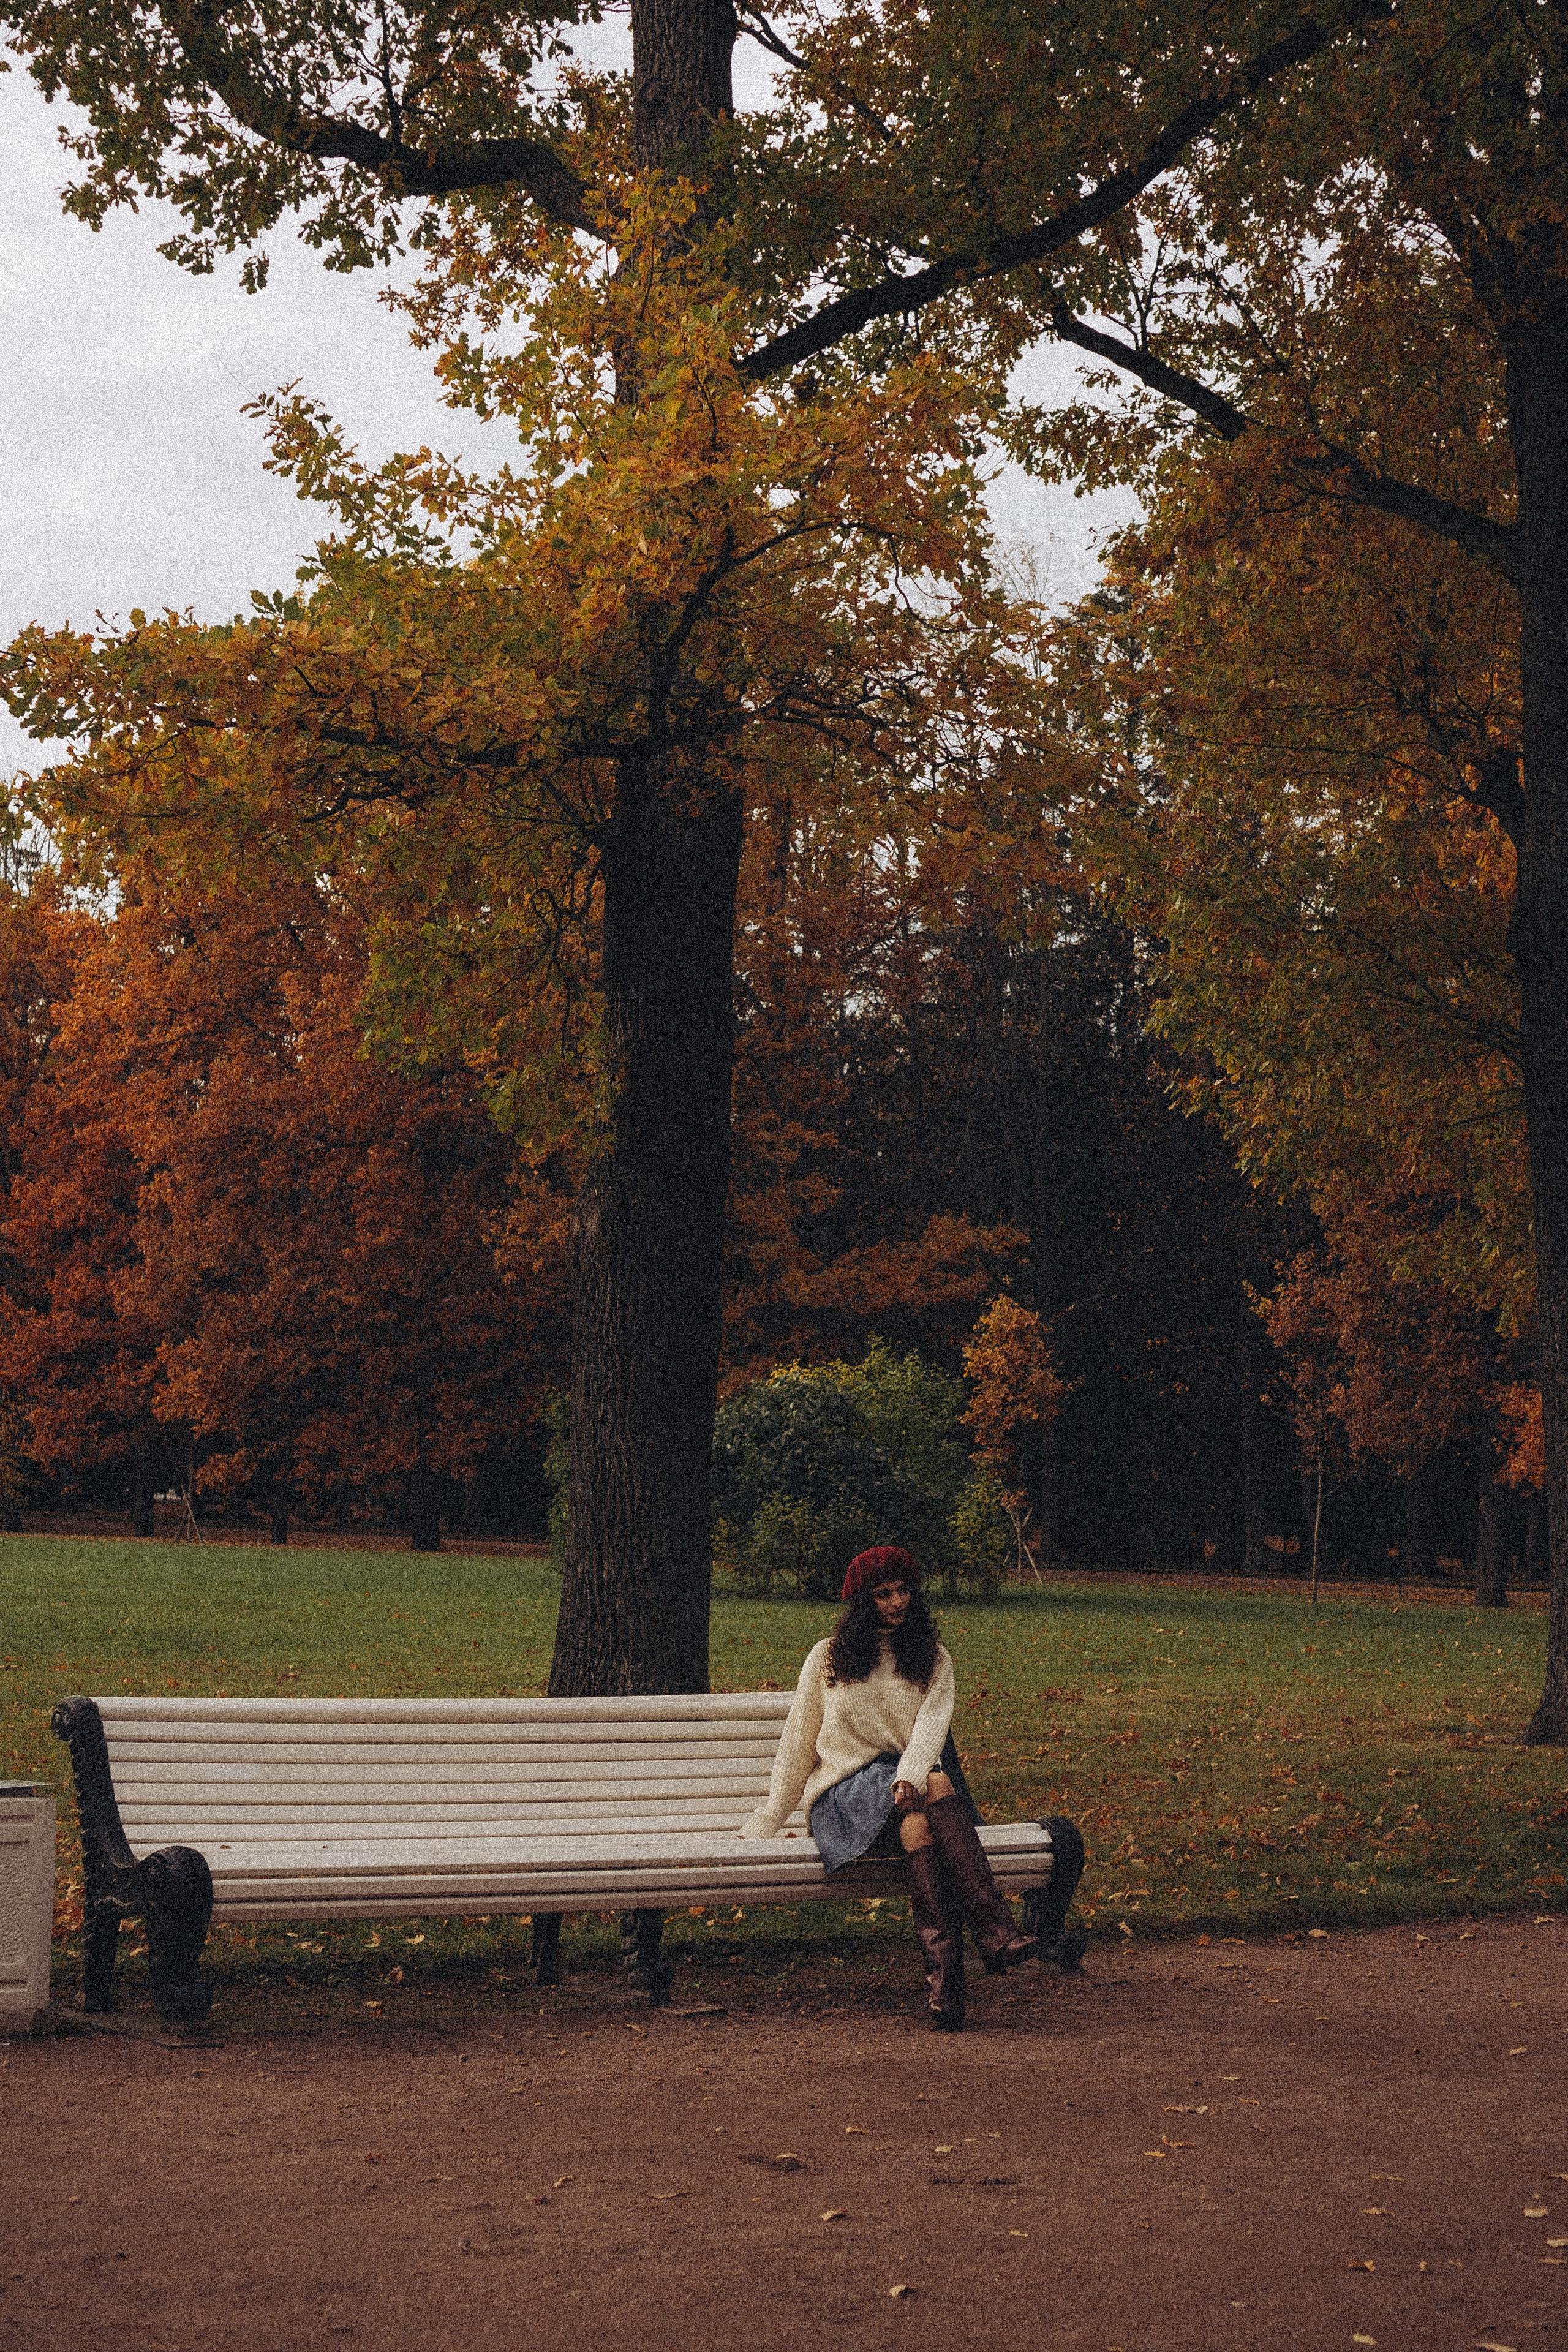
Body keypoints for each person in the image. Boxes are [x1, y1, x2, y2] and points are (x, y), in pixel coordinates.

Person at [739, 1543, 1039, 2029]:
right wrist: (772, 1816)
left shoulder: (933, 1659)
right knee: (936, 1782)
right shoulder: (827, 1658)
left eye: (904, 1592)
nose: (897, 1602)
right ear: (862, 1601)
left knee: (919, 1829)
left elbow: (929, 1731)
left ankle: (947, 1991)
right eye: (883, 1594)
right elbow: (798, 1742)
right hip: (843, 1797)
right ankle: (996, 1932)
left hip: (906, 1795)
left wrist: (906, 1777)